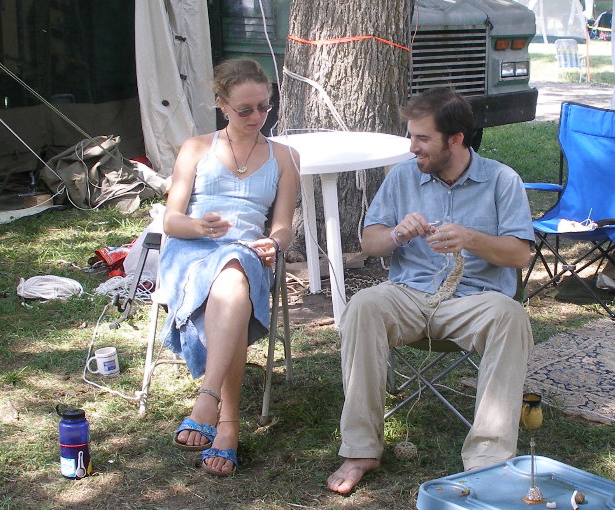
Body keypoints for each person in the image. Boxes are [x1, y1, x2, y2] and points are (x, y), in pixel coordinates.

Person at [327, 88, 535, 494]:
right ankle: (361, 449)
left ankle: (488, 461)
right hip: (409, 294)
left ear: (455, 139)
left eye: (423, 138)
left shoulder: (501, 180)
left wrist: (471, 238)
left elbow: (519, 255)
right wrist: (396, 234)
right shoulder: (404, 175)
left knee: (510, 316)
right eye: (411, 136)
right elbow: (370, 243)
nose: (413, 147)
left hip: (474, 300)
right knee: (364, 304)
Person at [159, 58, 299, 476]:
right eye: (245, 109)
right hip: (192, 250)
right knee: (231, 276)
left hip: (248, 253)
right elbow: (171, 221)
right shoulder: (196, 147)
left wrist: (274, 243)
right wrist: (198, 225)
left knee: (235, 268)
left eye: (264, 107)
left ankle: (209, 401)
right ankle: (227, 422)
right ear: (221, 104)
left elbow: (283, 226)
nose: (257, 117)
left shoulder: (285, 156)